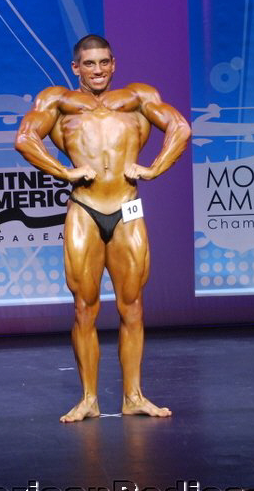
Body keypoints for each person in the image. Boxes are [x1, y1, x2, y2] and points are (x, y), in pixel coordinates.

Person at [15, 34, 191, 422]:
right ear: (76, 67)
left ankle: (134, 396)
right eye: (90, 64)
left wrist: (155, 168)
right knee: (84, 308)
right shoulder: (58, 101)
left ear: (114, 64)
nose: (98, 70)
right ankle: (88, 399)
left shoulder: (138, 96)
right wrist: (64, 171)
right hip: (84, 208)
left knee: (133, 306)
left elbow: (179, 127)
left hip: (127, 208)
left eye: (104, 62)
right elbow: (25, 138)